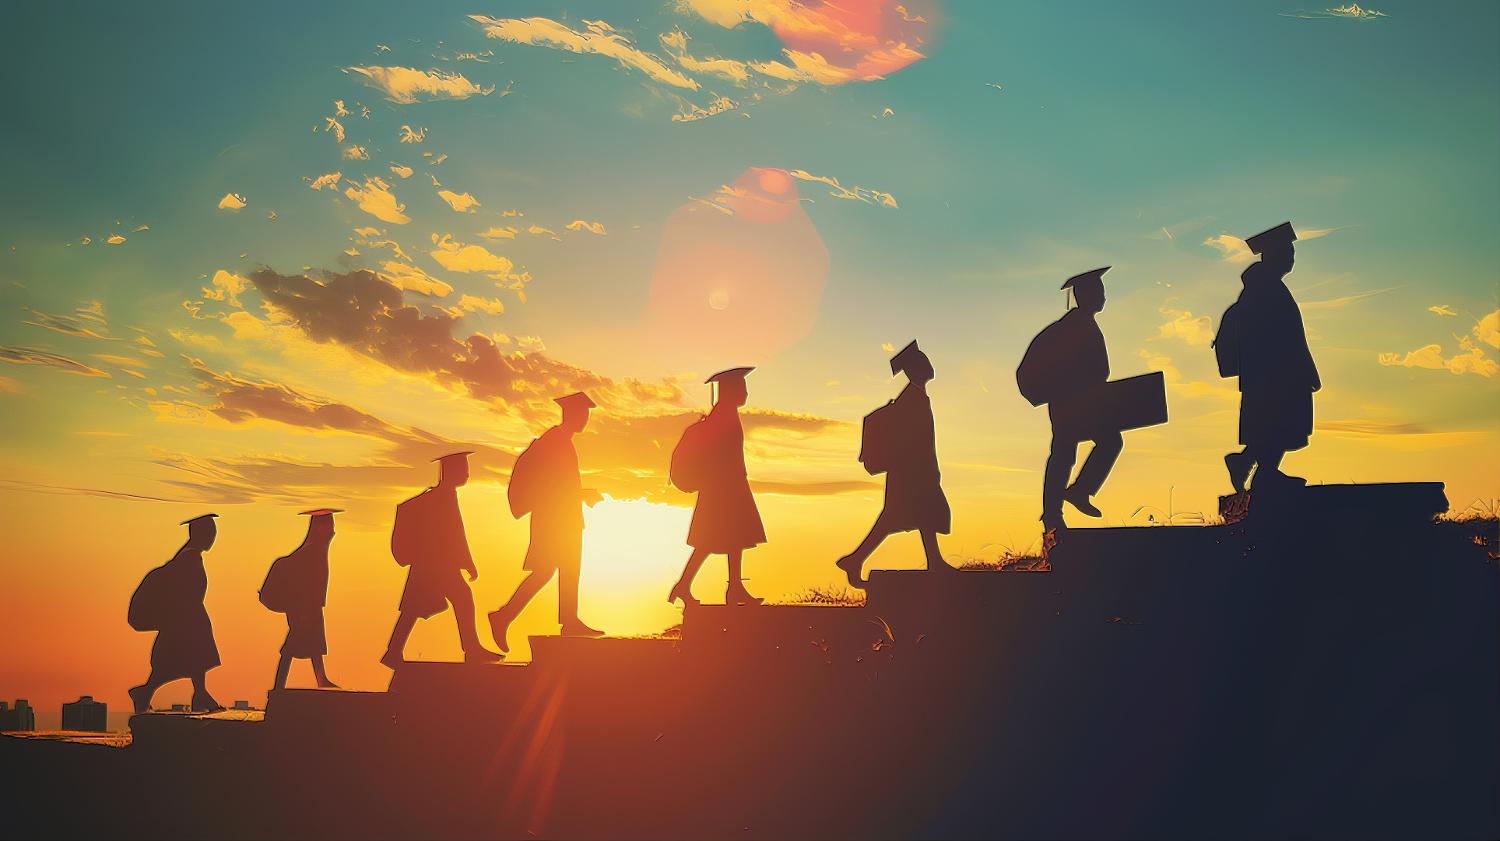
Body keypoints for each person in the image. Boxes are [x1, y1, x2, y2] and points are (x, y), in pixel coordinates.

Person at [488, 392, 605, 653]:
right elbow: (553, 487)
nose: (585, 419)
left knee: (559, 570)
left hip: (561, 517)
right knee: (550, 570)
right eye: (582, 414)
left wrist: (580, 495)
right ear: (571, 415)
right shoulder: (555, 443)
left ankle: (562, 620)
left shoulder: (560, 442)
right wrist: (582, 494)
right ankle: (506, 617)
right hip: (555, 520)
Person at [836, 341, 954, 588]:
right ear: (916, 370)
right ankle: (856, 559)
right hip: (912, 474)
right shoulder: (912, 399)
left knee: (920, 516)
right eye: (924, 362)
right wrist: (926, 469)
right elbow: (914, 440)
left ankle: (932, 560)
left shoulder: (914, 397)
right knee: (909, 516)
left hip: (914, 472)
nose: (929, 366)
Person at [1215, 222, 1320, 492]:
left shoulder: (1264, 287)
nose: (1291, 259)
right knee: (1277, 423)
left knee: (1275, 426)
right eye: (1288, 252)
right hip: (1273, 375)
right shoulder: (1265, 289)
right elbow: (1282, 337)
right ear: (1274, 255)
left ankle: (1252, 466)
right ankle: (1261, 472)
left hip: (1273, 374)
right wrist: (1303, 370)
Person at [1018, 267, 1123, 532]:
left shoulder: (1078, 325)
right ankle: (1063, 506)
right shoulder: (1075, 327)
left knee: (1065, 453)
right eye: (1099, 292)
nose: (1104, 297)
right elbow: (1087, 368)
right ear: (1086, 295)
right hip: (1073, 403)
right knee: (1093, 445)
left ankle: (1058, 508)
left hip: (1078, 402)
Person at [382, 452, 502, 668]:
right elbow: (454, 533)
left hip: (433, 566)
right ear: (453, 472)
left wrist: (465, 561)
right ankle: (471, 649)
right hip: (437, 567)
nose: (467, 474)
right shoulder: (442, 497)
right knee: (458, 599)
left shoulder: (442, 495)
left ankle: (393, 652)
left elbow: (454, 533)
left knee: (413, 609)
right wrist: (467, 562)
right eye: (463, 470)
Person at [668, 367, 766, 607]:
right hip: (724, 490)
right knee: (714, 540)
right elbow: (722, 455)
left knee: (731, 539)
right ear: (731, 391)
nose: (746, 394)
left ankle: (732, 587)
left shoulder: (722, 414)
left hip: (725, 487)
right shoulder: (724, 416)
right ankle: (693, 586)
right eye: (742, 389)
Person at [127, 514, 224, 713]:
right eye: (210, 533)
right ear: (199, 534)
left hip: (188, 621)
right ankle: (148, 692)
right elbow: (184, 593)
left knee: (189, 660)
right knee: (180, 662)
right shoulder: (188, 560)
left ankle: (198, 693)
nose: (213, 538)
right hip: (183, 622)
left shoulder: (188, 556)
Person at [260, 508, 341, 691]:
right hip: (304, 608)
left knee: (314, 643)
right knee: (292, 647)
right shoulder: (311, 552)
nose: (333, 531)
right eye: (330, 526)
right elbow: (305, 584)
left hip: (309, 606)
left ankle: (320, 678)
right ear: (320, 528)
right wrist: (304, 611)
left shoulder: (317, 550)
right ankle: (279, 686)